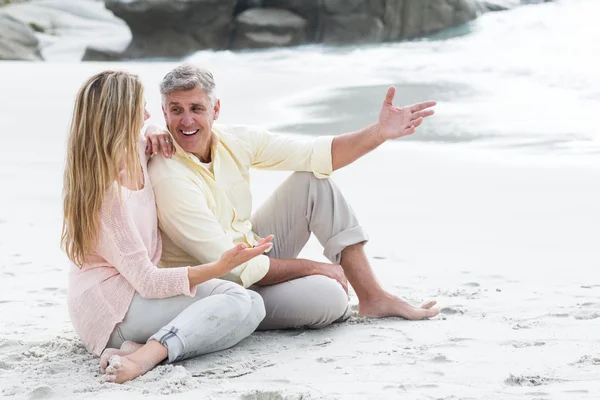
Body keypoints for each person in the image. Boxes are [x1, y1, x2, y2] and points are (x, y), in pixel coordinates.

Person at [146, 64, 440, 331]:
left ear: (216, 109)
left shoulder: (235, 140)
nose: (186, 121)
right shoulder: (168, 175)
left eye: (196, 108)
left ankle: (374, 297)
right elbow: (236, 269)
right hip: (218, 288)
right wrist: (315, 267)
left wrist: (379, 132)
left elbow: (318, 154)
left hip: (249, 253)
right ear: (164, 113)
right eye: (176, 110)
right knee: (331, 299)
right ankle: (253, 314)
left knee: (312, 181)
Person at [62, 70, 273, 384]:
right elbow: (148, 281)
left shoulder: (136, 149)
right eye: (140, 109)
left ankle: (139, 348)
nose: (147, 115)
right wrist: (220, 266)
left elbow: (152, 130)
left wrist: (156, 129)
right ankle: (145, 357)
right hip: (111, 311)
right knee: (239, 300)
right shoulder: (107, 197)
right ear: (120, 116)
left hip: (133, 295)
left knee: (251, 304)